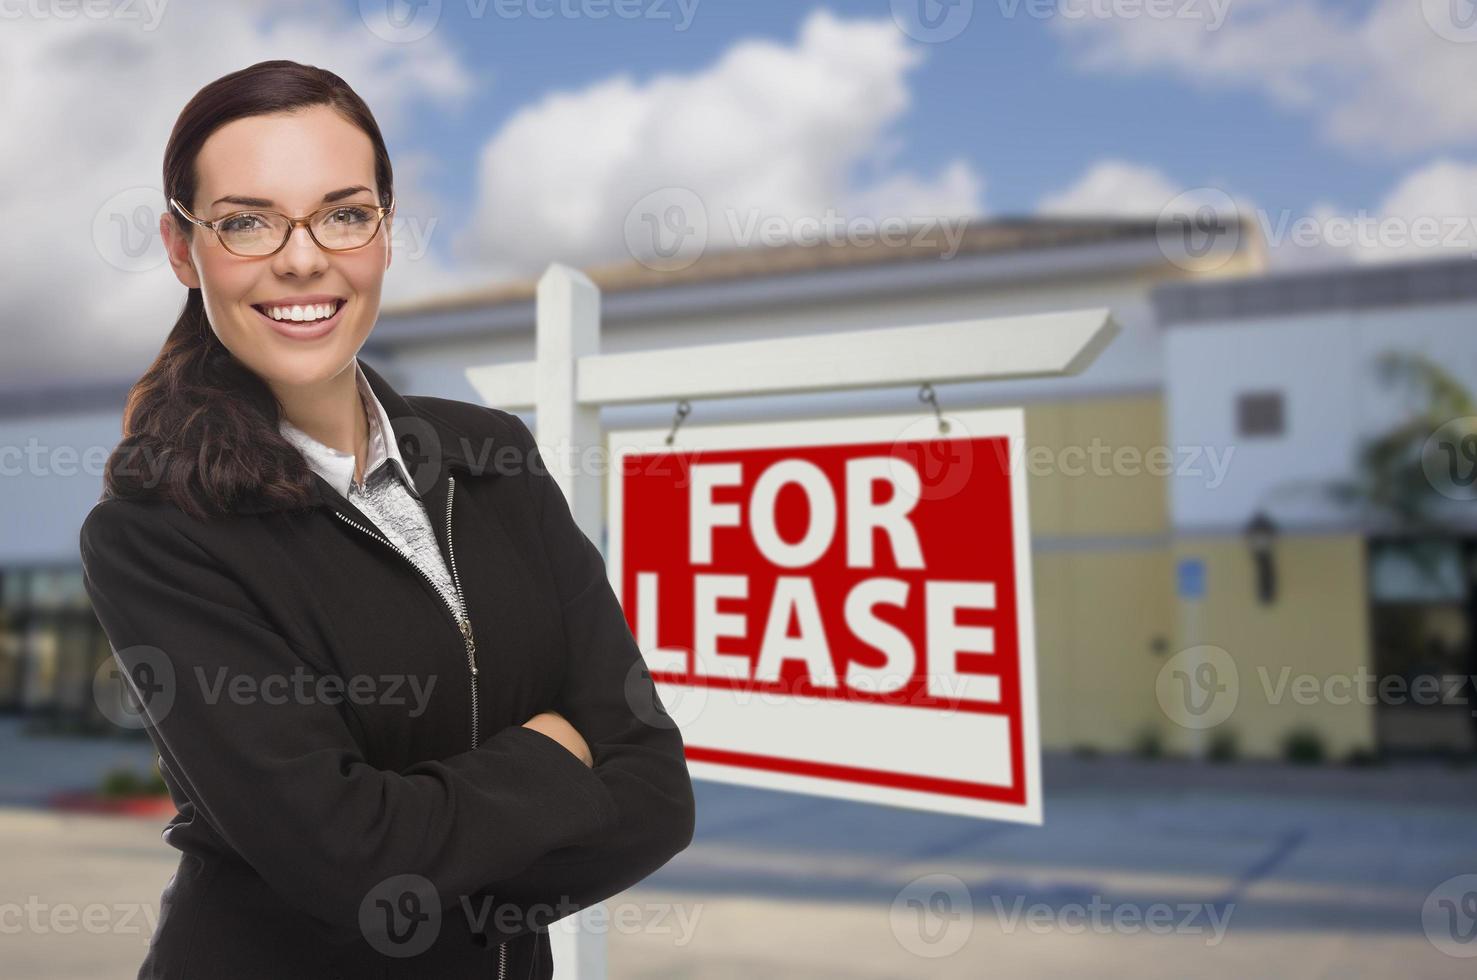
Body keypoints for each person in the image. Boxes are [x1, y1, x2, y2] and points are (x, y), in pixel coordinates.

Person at [78, 60, 695, 980]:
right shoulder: (156, 532)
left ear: (385, 229)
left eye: (343, 212)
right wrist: (554, 756)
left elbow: (652, 791)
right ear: (181, 248)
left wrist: (428, 879)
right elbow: (350, 862)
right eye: (246, 221)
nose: (301, 257)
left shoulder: (493, 457)